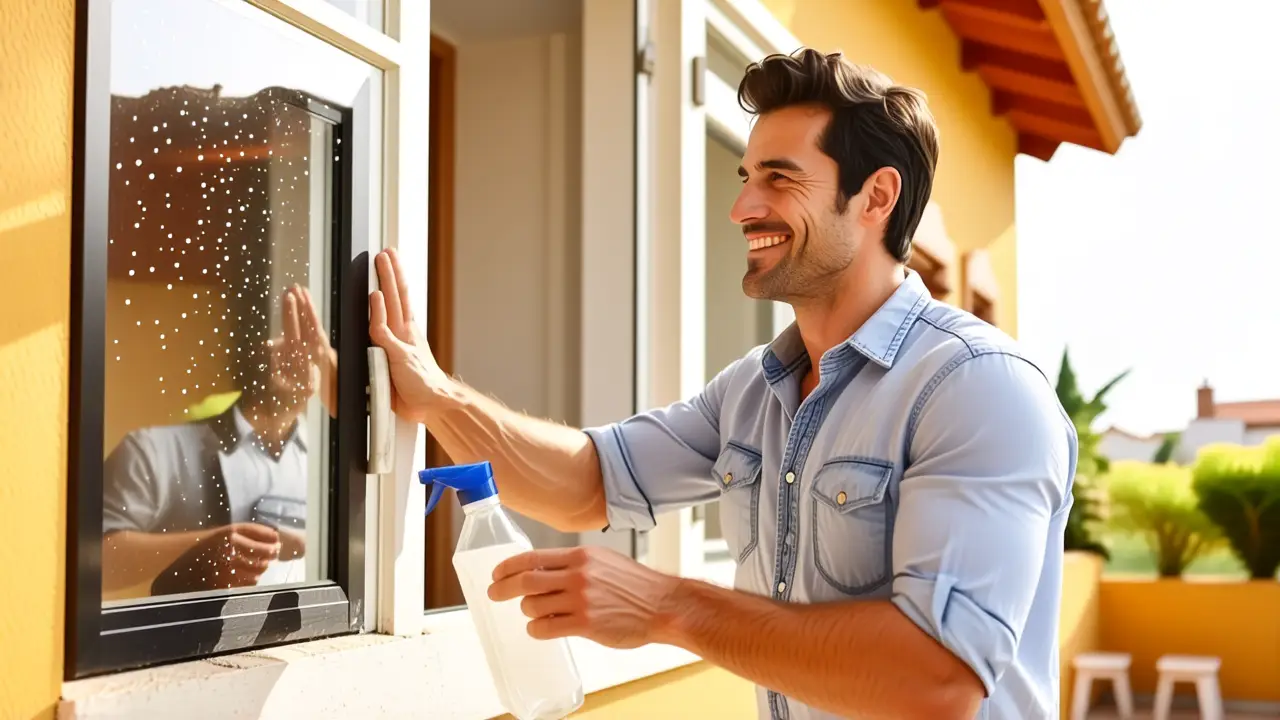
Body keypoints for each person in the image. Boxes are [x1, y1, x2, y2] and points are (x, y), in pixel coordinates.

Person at [370, 48, 1075, 720]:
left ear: (876, 197)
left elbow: (937, 682)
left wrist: (668, 607)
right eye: (746, 178)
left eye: (779, 178)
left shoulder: (978, 389)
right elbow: (588, 481)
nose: (742, 209)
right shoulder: (754, 390)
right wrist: (433, 394)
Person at [102, 285, 336, 597]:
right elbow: (94, 561)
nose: (299, 352)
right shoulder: (153, 452)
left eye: (310, 341)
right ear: (253, 349)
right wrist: (206, 548)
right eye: (285, 334)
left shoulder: (331, 460)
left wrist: (334, 377)